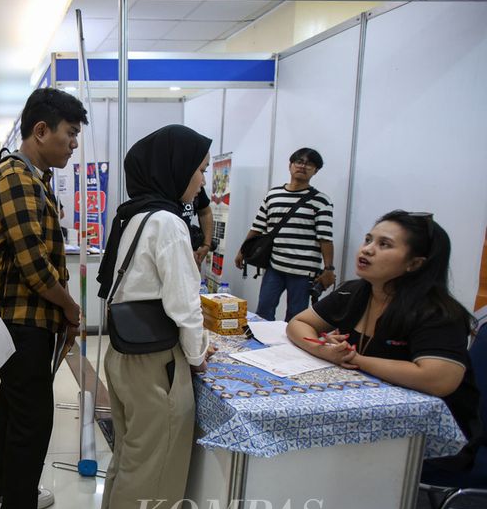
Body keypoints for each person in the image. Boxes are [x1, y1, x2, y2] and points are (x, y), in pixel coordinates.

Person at [0, 87, 86, 509]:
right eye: (69, 134)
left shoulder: (33, 178)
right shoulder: (16, 178)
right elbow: (34, 265)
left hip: (25, 321)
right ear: (40, 131)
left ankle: (8, 498)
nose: (73, 145)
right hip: (20, 321)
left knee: (17, 417)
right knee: (31, 424)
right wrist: (69, 305)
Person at [92, 125, 212, 509]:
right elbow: (184, 304)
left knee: (130, 454)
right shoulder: (167, 222)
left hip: (123, 354)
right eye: (199, 169)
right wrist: (199, 354)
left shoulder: (133, 215)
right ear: (175, 168)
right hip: (155, 361)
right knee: (156, 460)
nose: (201, 180)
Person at [287, 210, 482, 466]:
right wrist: (322, 349)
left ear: (415, 264)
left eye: (384, 244)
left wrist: (355, 359)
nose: (367, 250)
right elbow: (298, 323)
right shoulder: (354, 291)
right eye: (368, 240)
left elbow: (438, 379)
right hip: (360, 421)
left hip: (426, 438)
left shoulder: (436, 313)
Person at [235, 148, 335, 321]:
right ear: (290, 165)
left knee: (295, 317)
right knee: (264, 311)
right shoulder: (273, 195)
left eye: (309, 164)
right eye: (299, 161)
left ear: (316, 171)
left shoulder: (321, 201)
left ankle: (290, 348)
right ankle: (262, 345)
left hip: (304, 272)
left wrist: (329, 269)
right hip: (275, 266)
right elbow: (257, 226)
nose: (303, 166)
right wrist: (242, 251)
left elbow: (325, 238)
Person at [182, 185, 215, 267]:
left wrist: (206, 244)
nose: (204, 181)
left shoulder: (196, 184)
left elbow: (205, 212)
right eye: (200, 172)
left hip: (191, 253)